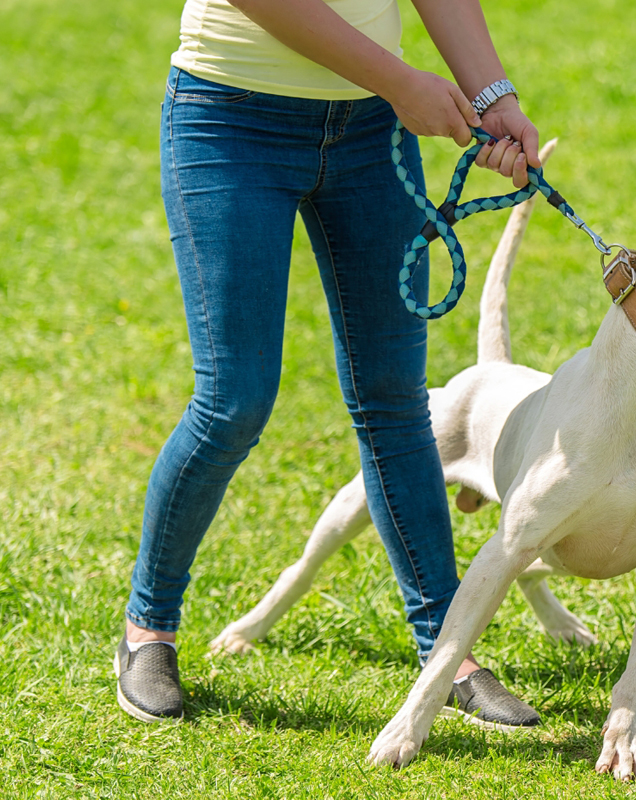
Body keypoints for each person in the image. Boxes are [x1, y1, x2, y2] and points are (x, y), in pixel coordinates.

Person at [115, 0, 542, 729]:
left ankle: (447, 650)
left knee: (394, 400)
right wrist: (399, 81)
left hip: (370, 133)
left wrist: (490, 92)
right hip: (230, 121)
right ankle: (146, 628)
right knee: (234, 402)